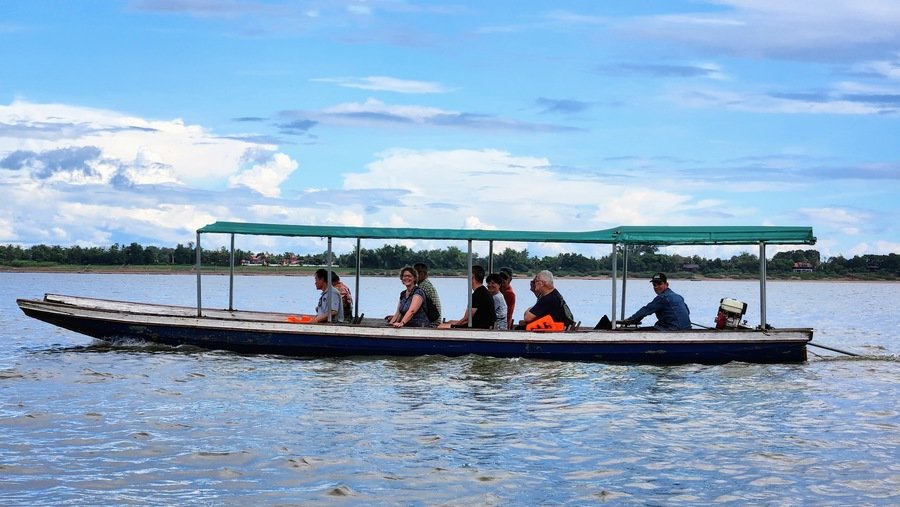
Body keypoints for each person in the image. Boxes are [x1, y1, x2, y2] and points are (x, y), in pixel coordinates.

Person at [620, 272, 691, 330]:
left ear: (666, 284)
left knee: (637, 331)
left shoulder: (663, 297)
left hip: (672, 330)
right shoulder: (678, 296)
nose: (656, 287)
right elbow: (687, 312)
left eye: (659, 284)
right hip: (687, 329)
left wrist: (629, 320)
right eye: (654, 285)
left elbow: (646, 310)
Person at [439, 265, 495, 329]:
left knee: (441, 326)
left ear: (472, 277)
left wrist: (454, 327)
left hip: (478, 328)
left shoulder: (477, 295)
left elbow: (466, 319)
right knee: (449, 322)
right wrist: (451, 323)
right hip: (482, 325)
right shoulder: (484, 292)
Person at [414, 262, 442, 326]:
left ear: (422, 274)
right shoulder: (425, 283)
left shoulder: (423, 286)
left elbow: (415, 307)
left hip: (432, 322)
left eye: (415, 274)